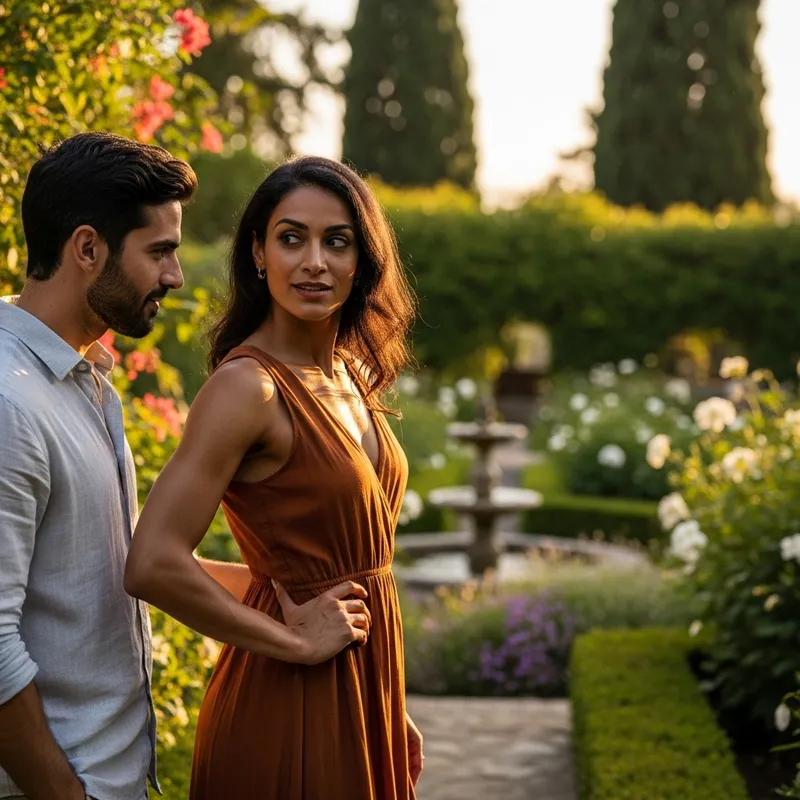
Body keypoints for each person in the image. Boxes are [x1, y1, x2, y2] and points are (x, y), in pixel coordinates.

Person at [124, 155, 423, 799]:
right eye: (292, 238)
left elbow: (347, 569)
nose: (314, 261)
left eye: (336, 241)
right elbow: (152, 563)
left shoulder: (350, 374)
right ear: (259, 253)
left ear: (362, 260)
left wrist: (387, 702)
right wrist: (294, 641)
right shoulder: (247, 389)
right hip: (286, 701)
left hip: (364, 689)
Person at [0, 131, 197, 800]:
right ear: (87, 248)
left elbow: (104, 573)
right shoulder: (10, 403)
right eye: (160, 252)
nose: (174, 276)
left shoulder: (83, 380)